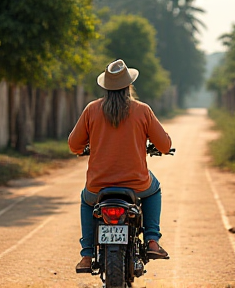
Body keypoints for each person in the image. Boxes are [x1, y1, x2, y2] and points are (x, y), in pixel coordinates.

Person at [68, 59, 172, 273]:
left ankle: (87, 255)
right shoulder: (142, 110)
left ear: (105, 86)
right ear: (129, 86)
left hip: (98, 186)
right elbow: (164, 145)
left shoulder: (92, 110)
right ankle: (152, 240)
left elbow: (73, 145)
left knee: (87, 201)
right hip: (137, 184)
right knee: (155, 191)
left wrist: (85, 147)